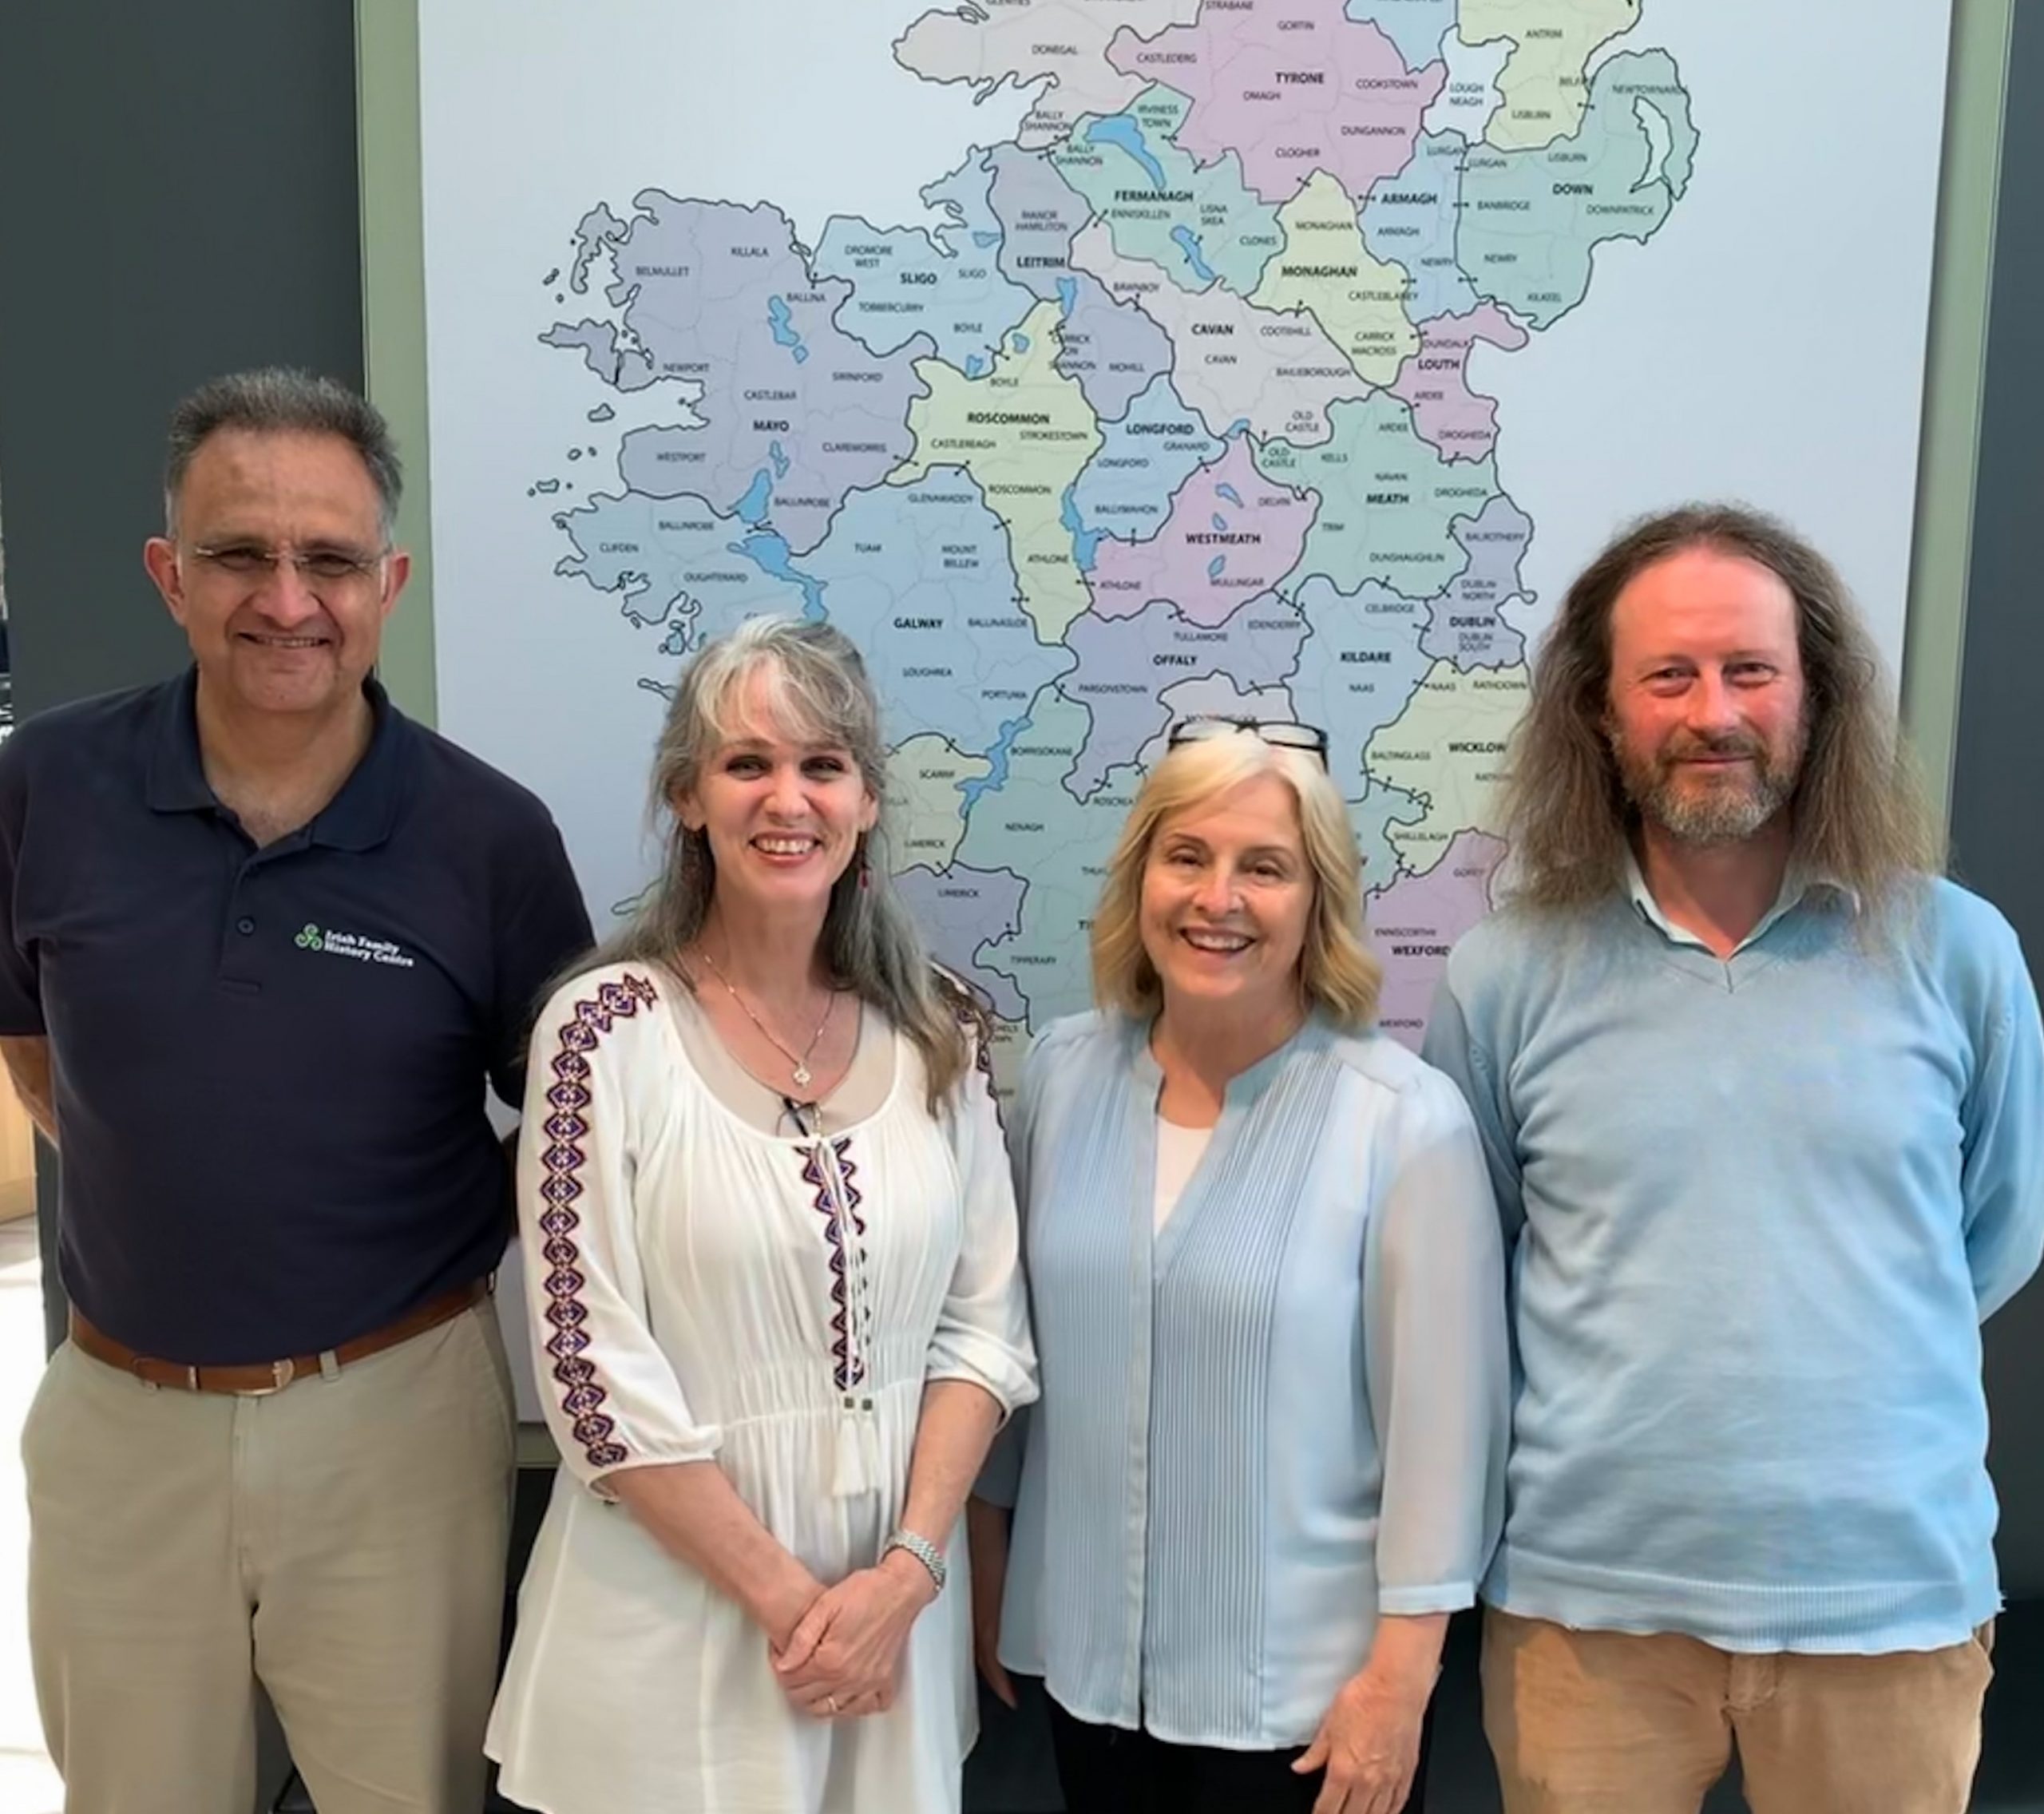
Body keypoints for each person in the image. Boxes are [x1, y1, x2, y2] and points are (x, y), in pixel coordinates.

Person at [0, 368, 594, 1812]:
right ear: (168, 573)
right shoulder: (44, 787)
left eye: (329, 559)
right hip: (121, 1421)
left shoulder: (489, 838)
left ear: (386, 581)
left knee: (413, 1796)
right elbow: (29, 1042)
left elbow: (574, 1138)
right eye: (238, 554)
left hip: (395, 1417)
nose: (287, 598)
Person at [1422, 505, 2044, 1814]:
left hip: (1890, 1608)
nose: (1714, 711)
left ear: (1817, 699)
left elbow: (1989, 1239)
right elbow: (1476, 1267)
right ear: (1600, 711)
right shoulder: (1506, 975)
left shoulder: (1959, 954)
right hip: (1588, 1616)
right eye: (1670, 676)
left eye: (1751, 671)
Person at [485, 615, 1037, 1814]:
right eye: (748, 764)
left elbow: (985, 1333)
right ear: (688, 797)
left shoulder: (942, 1030)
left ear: (867, 801)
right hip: (672, 1629)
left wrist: (901, 1580)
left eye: (823, 766)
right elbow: (592, 1381)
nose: (788, 799)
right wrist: (803, 1613)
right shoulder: (599, 1035)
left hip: (894, 1622)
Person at [972, 719, 1509, 1814]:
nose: (1218, 898)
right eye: (1188, 857)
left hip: (1310, 1716)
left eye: (1264, 868)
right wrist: (987, 1582)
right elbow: (1008, 1362)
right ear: (1141, 880)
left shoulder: (1404, 1123)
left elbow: (1444, 1449)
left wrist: (1400, 1691)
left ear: (1319, 903)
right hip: (1083, 1676)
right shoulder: (1065, 1076)